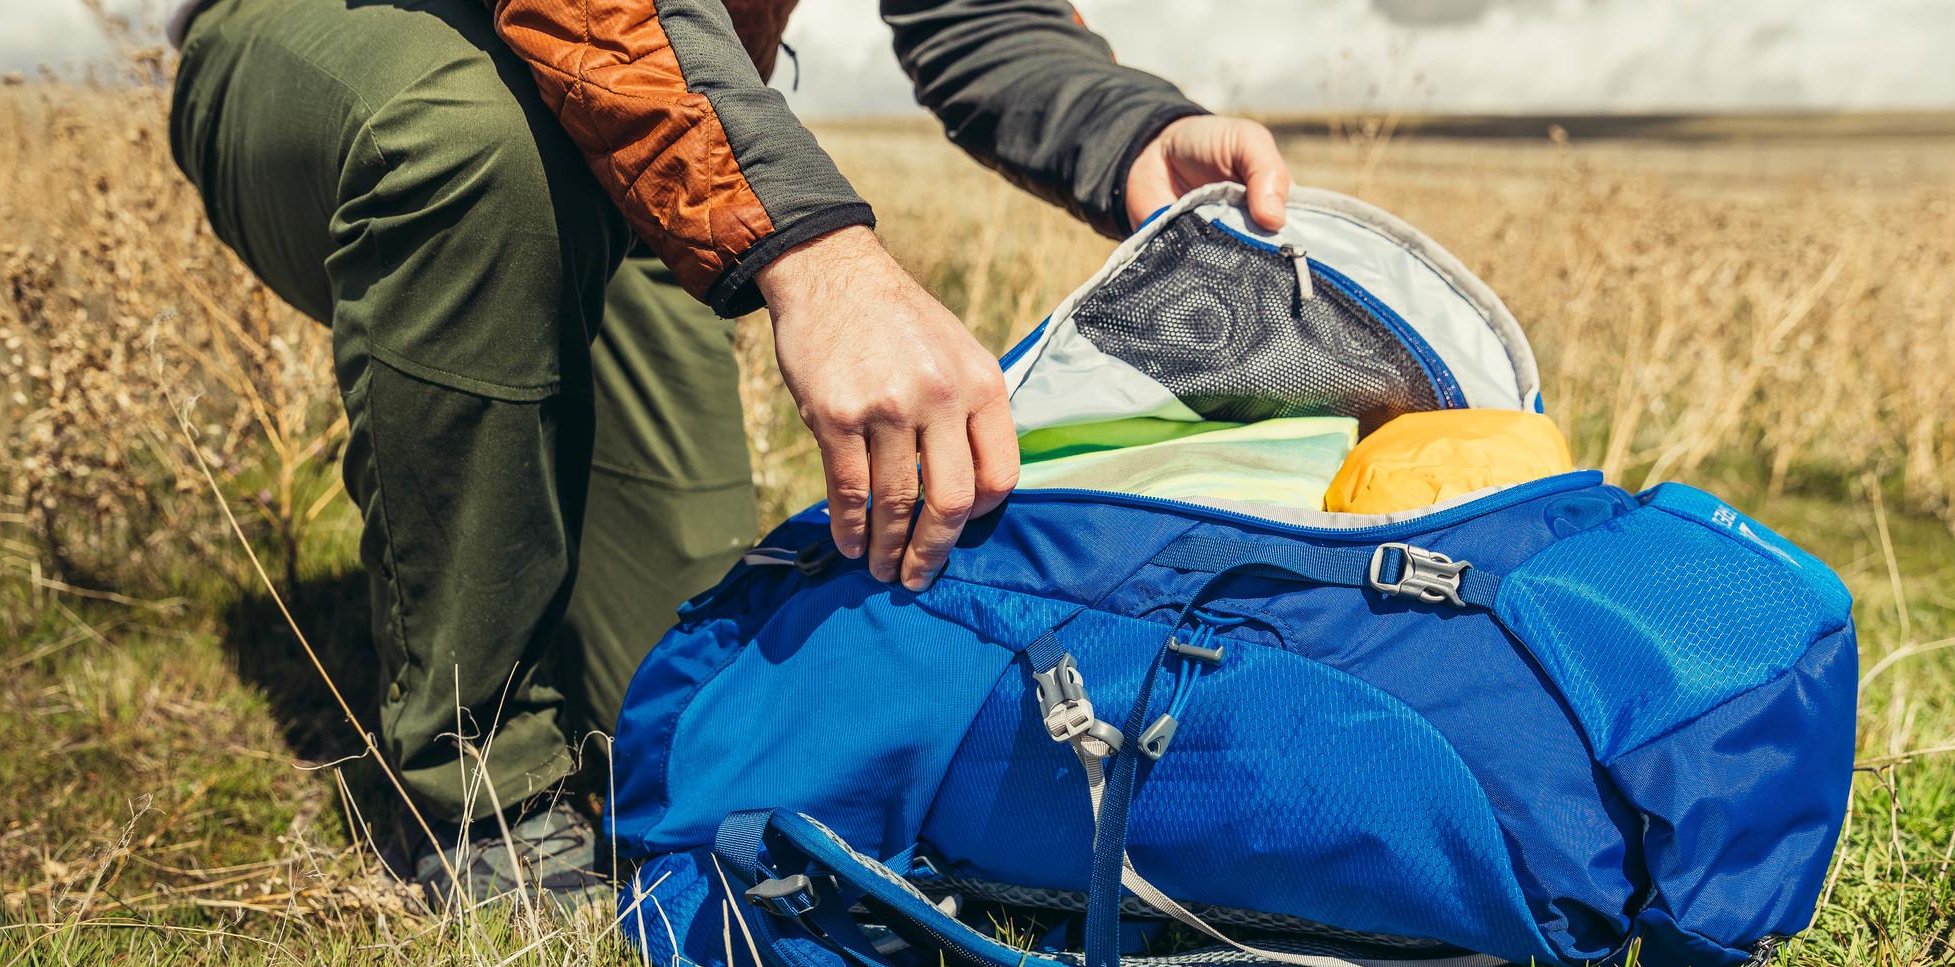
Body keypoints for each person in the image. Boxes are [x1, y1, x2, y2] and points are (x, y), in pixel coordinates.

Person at [166, 0, 1291, 903]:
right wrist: (822, 262)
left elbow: (974, 12)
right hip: (340, 55)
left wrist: (1127, 129)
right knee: (466, 140)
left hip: (643, 137)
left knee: (680, 723)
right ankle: (473, 790)